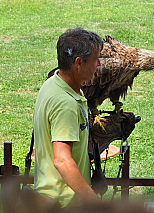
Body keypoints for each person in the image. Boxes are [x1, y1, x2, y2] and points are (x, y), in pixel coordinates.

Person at [32, 28, 104, 210]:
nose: (99, 64)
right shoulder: (66, 103)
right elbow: (62, 160)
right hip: (64, 203)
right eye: (95, 59)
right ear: (78, 63)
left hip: (47, 196)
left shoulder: (52, 84)